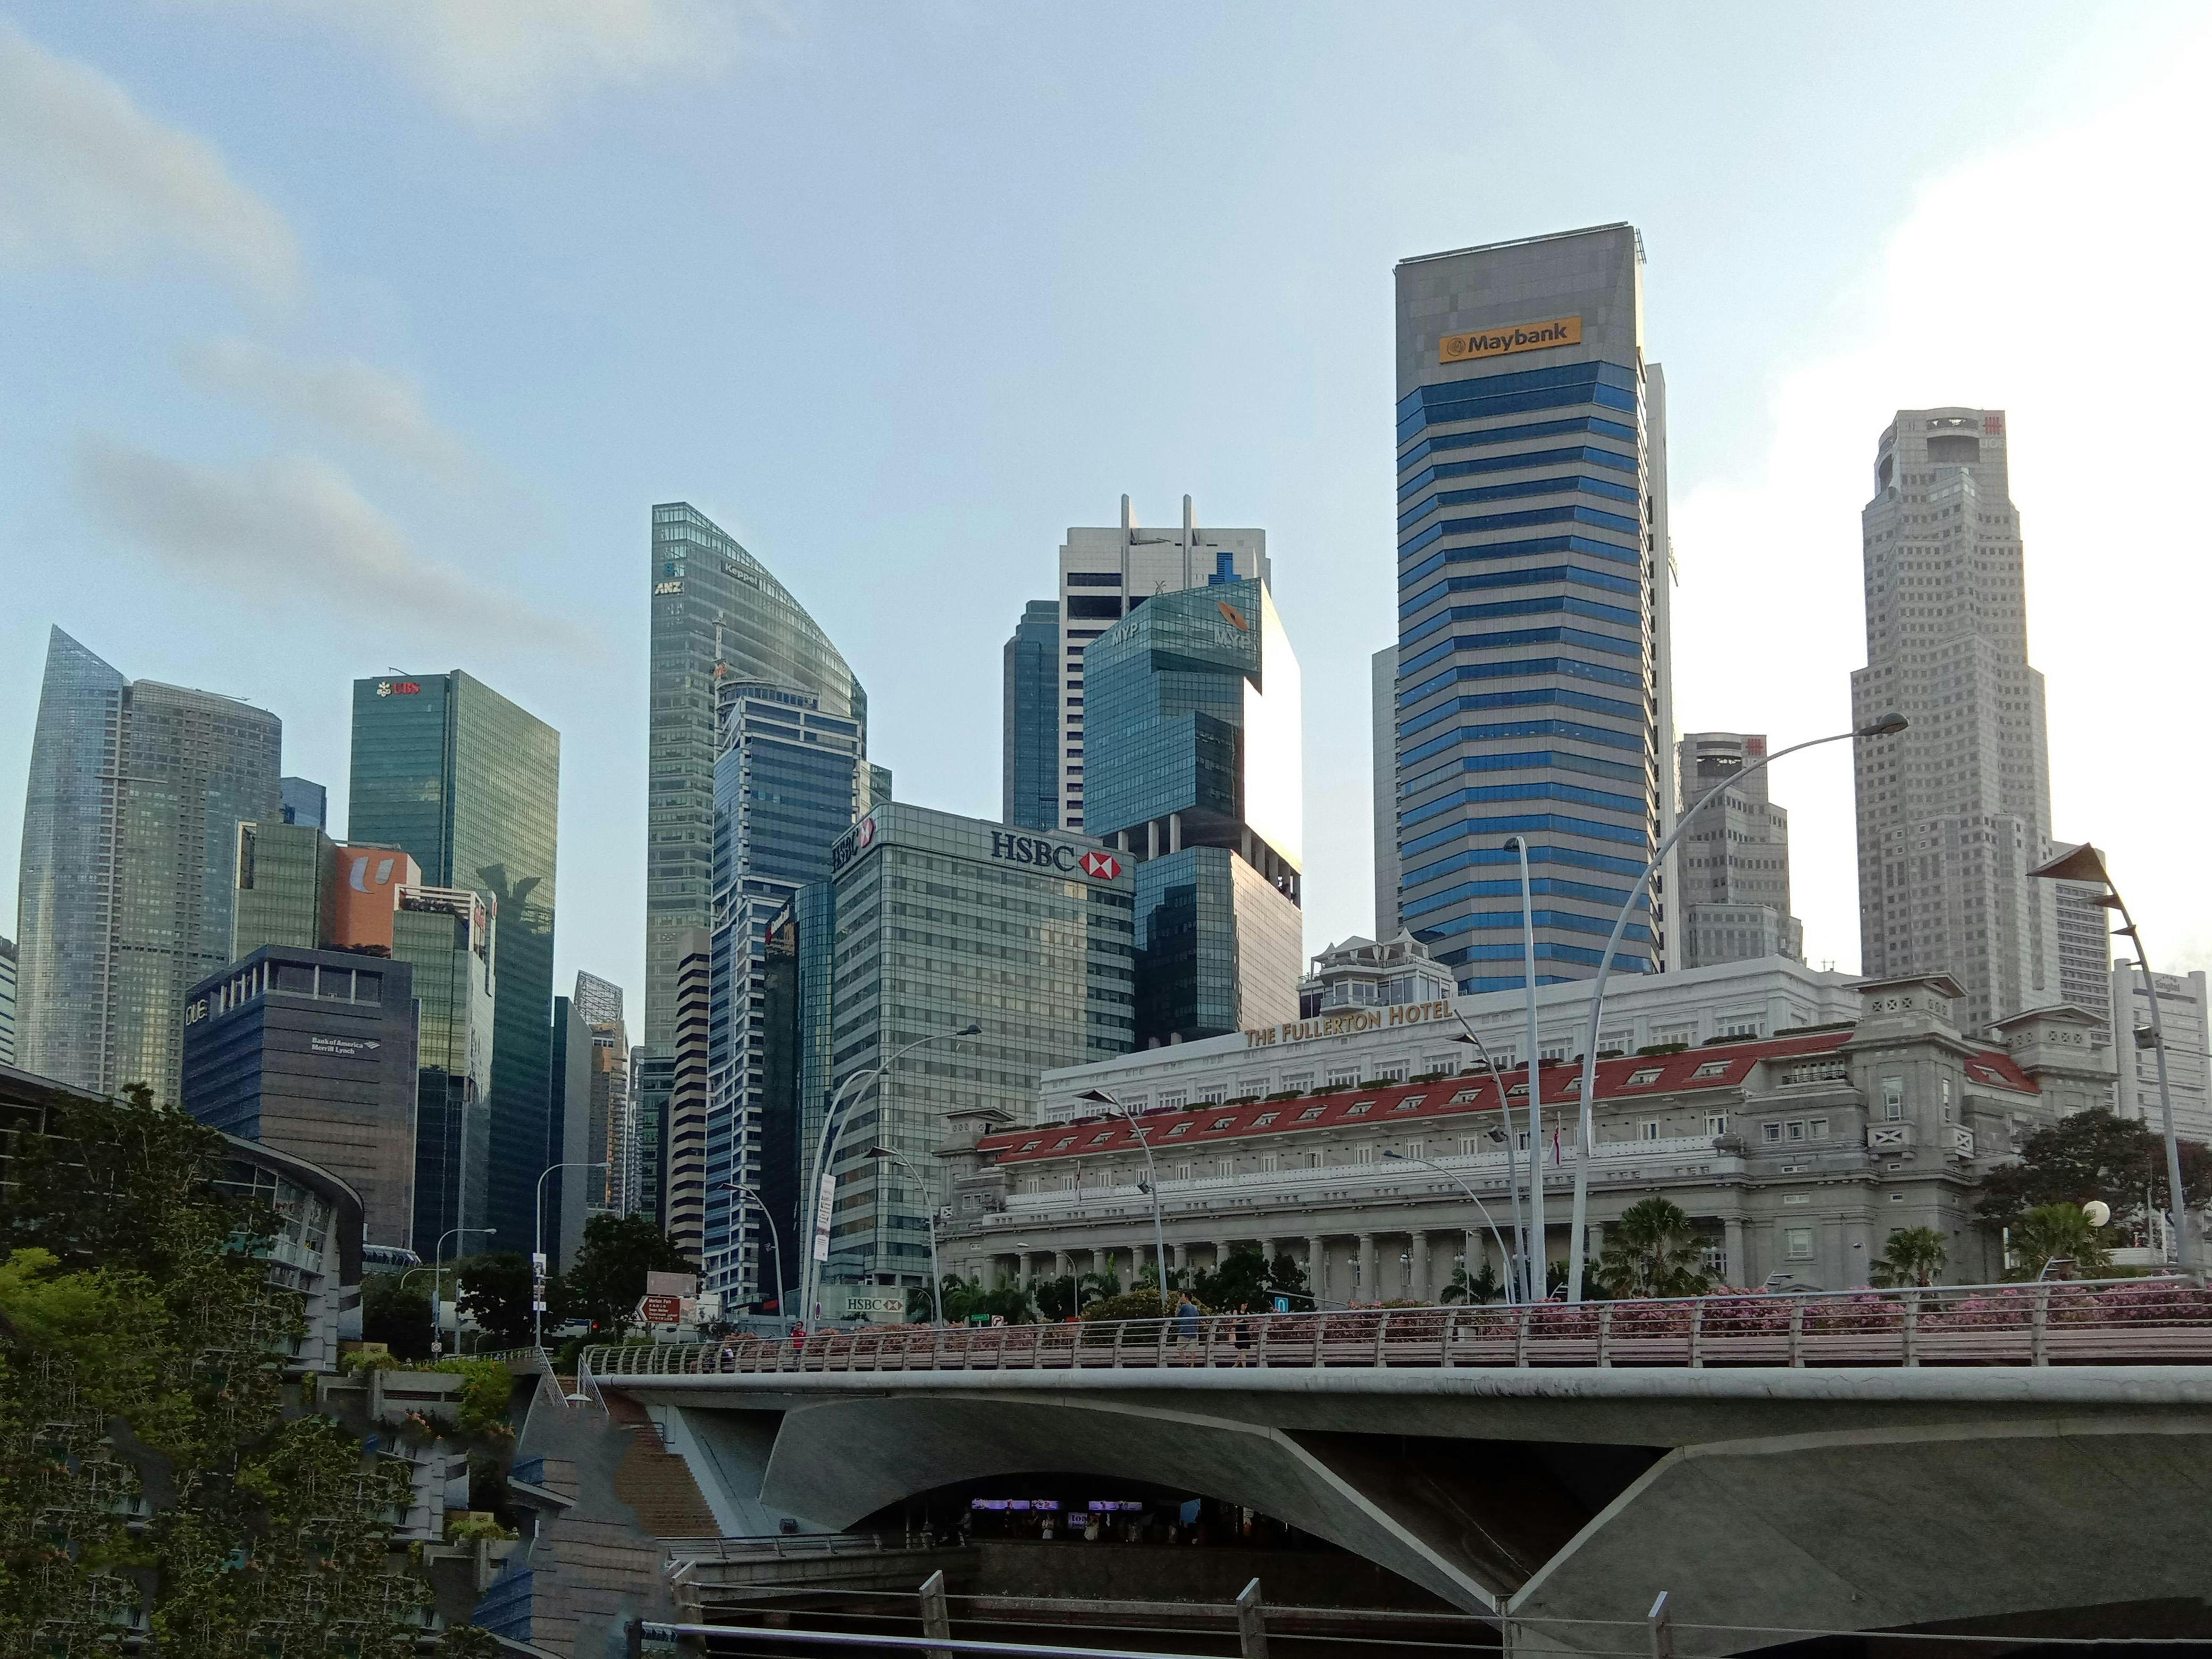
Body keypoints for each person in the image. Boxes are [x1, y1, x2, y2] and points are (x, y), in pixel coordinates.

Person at [1174, 1291, 1199, 1359]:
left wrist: (1178, 1305)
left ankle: (1185, 1363)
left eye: (1182, 1297)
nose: (1181, 1298)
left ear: (1186, 1298)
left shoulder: (1184, 1307)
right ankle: (1192, 1366)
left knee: (1180, 1349)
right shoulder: (1195, 1308)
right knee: (1193, 1351)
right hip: (1194, 1331)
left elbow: (1177, 1316)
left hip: (1184, 1331)